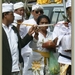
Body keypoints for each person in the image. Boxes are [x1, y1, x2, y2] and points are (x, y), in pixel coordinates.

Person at [2, 3, 36, 75]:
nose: (14, 17)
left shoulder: (13, 29)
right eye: (12, 14)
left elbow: (20, 44)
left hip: (16, 67)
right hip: (5, 68)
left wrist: (29, 34)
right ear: (5, 15)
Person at [19, 4, 44, 75]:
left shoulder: (44, 23)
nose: (39, 13)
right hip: (28, 53)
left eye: (41, 12)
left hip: (40, 54)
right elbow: (18, 34)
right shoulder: (26, 23)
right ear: (32, 13)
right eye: (37, 12)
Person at [52, 0, 71, 75]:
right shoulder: (60, 25)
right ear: (67, 12)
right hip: (65, 61)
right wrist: (63, 33)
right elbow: (54, 43)